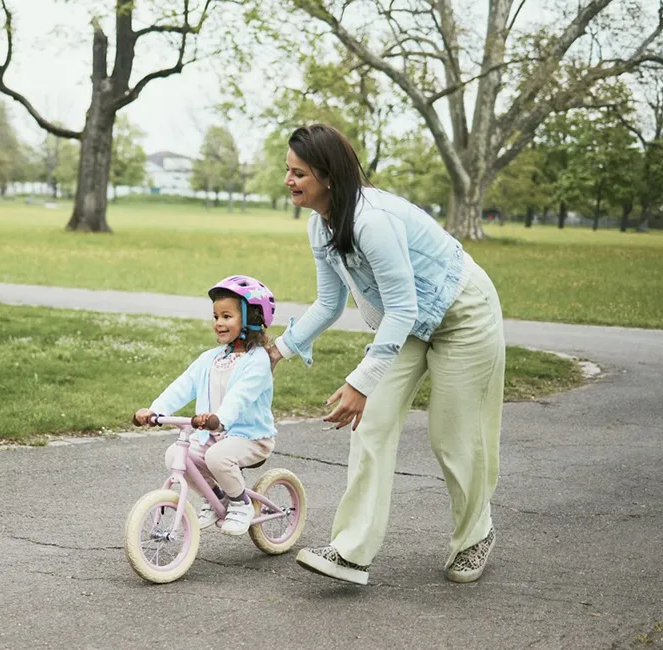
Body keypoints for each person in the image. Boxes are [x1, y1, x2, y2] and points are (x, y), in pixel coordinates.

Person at [273, 124, 506, 585]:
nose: (289, 181)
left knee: (452, 435)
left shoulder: (370, 220)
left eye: (298, 173)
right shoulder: (320, 226)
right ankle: (351, 552)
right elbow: (329, 303)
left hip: (463, 313)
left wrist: (361, 381)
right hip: (409, 320)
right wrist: (279, 349)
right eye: (288, 171)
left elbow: (401, 306)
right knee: (371, 424)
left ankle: (475, 534)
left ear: (328, 176)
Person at [133, 276, 278, 536]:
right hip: (213, 435)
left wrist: (218, 418)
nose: (219, 323)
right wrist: (155, 410)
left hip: (251, 437)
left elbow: (240, 396)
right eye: (215, 316)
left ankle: (242, 504)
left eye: (227, 316)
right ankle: (217, 497)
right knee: (176, 455)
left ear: (251, 318)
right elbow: (182, 386)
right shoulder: (209, 359)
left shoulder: (257, 361)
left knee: (217, 456)